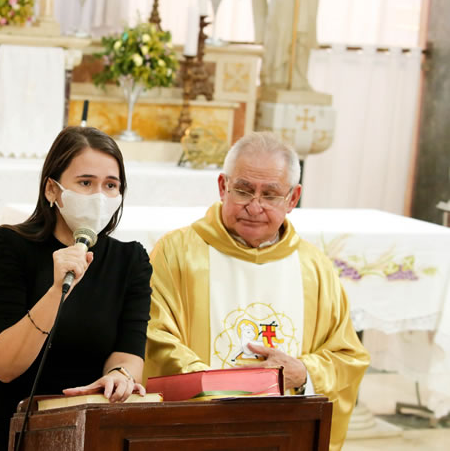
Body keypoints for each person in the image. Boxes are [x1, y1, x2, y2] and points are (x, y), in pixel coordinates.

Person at [145, 131, 369, 451]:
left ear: (293, 199)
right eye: (244, 190)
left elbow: (348, 357)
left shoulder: (314, 268)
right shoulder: (177, 253)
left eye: (271, 195)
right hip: (198, 432)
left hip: (282, 435)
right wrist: (216, 385)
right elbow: (154, 337)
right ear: (223, 187)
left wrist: (303, 373)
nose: (254, 206)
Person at [0, 127, 153, 451]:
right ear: (52, 190)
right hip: (13, 425)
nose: (99, 196)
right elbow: (3, 366)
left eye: (110, 185)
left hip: (90, 429)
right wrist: (57, 290)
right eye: (85, 183)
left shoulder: (131, 260)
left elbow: (131, 348)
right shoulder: (9, 247)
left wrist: (119, 375)